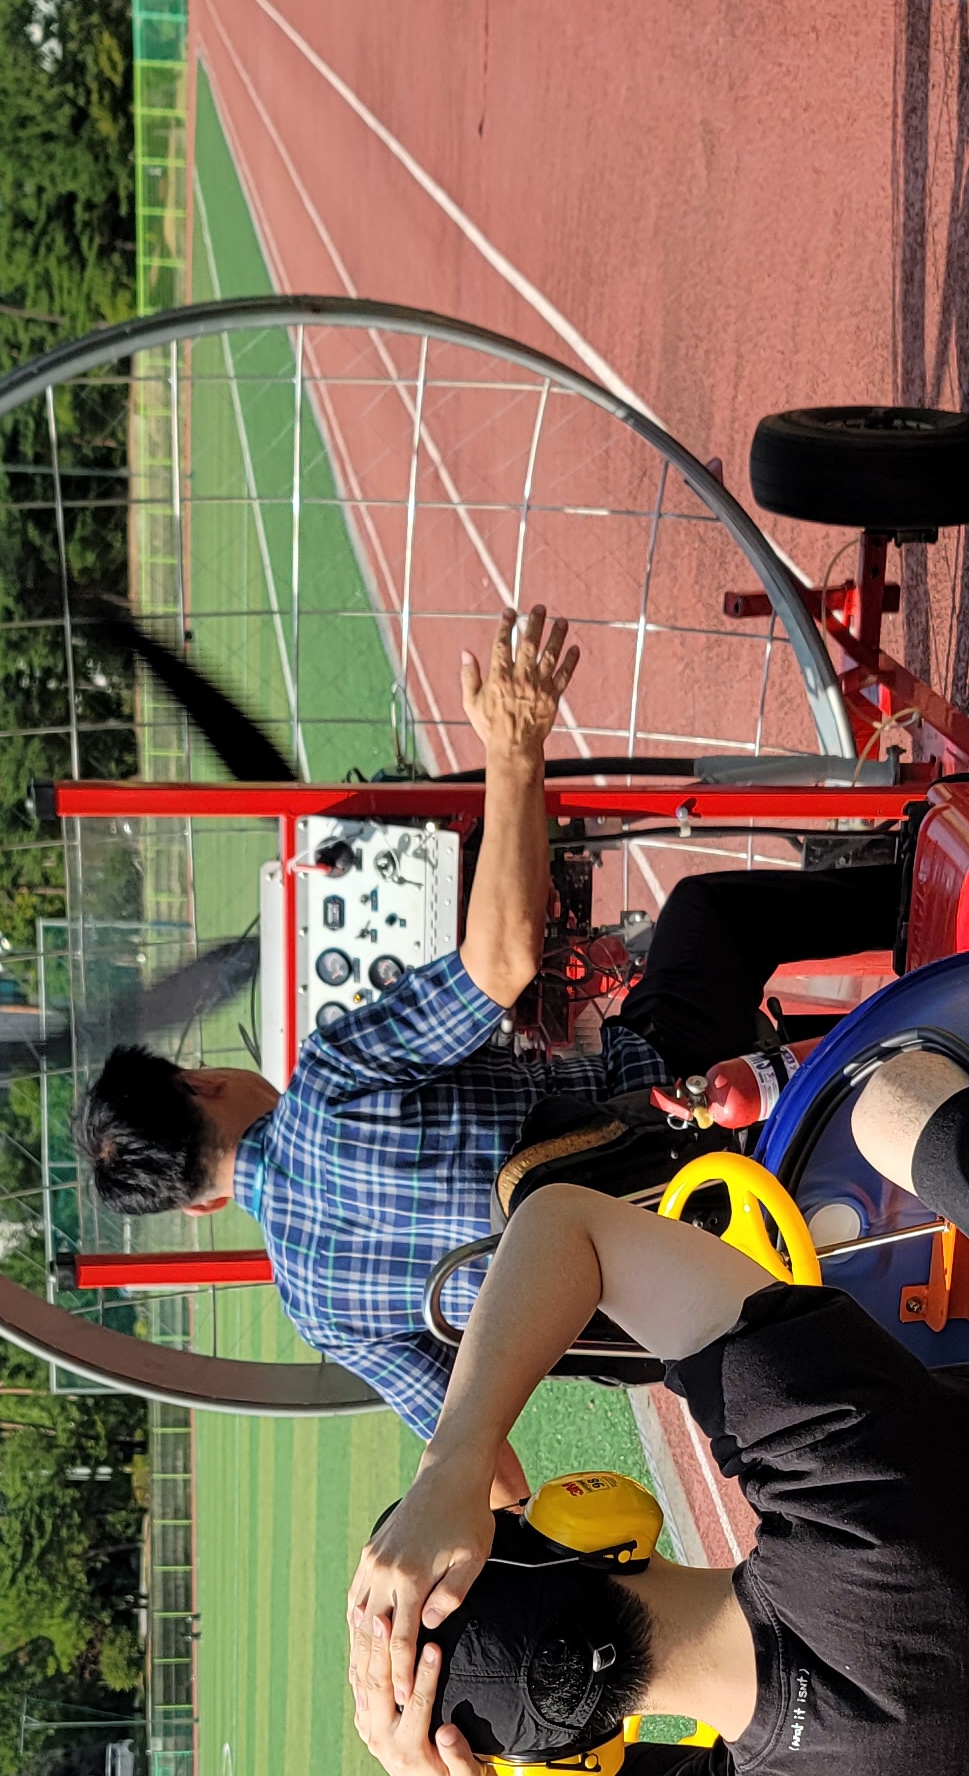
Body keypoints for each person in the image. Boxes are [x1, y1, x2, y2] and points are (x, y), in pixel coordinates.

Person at [341, 1048, 969, 1776]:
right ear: (591, 1515)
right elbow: (566, 1226)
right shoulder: (841, 1467)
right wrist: (456, 1462)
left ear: (566, 1754)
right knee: (893, 1100)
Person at [72, 607, 901, 1436]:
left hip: (684, 1301)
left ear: (198, 1209)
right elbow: (501, 965)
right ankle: (923, 885)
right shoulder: (327, 1079)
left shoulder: (319, 1310)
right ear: (202, 1080)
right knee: (708, 914)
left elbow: (475, 1451)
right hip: (666, 1112)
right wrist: (514, 752)